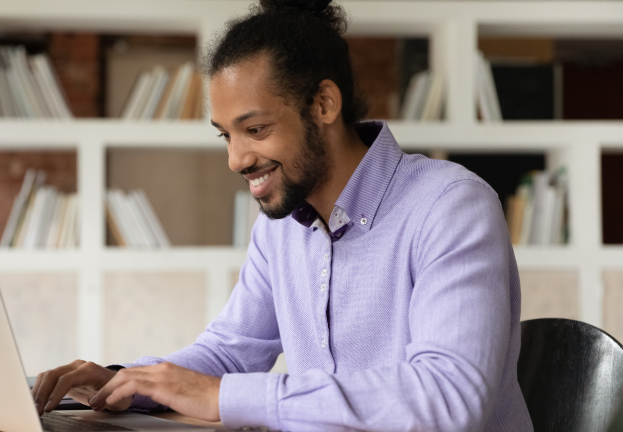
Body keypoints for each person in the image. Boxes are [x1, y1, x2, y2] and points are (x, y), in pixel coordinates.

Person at [31, 0, 534, 430]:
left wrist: (224, 397)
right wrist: (125, 380)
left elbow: (448, 399)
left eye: (255, 129)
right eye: (226, 135)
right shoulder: (282, 230)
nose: (236, 159)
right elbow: (230, 352)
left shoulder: (450, 206)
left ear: (323, 103)